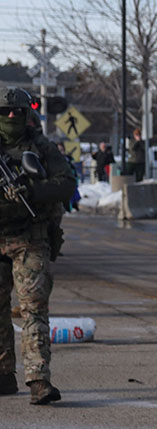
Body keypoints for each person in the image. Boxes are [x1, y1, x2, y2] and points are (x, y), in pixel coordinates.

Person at [0, 88, 75, 404]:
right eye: (5, 112)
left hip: (30, 237)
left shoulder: (42, 148)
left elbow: (66, 184)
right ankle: (4, 374)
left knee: (33, 309)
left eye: (18, 111)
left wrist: (32, 191)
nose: (12, 116)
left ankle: (38, 379)